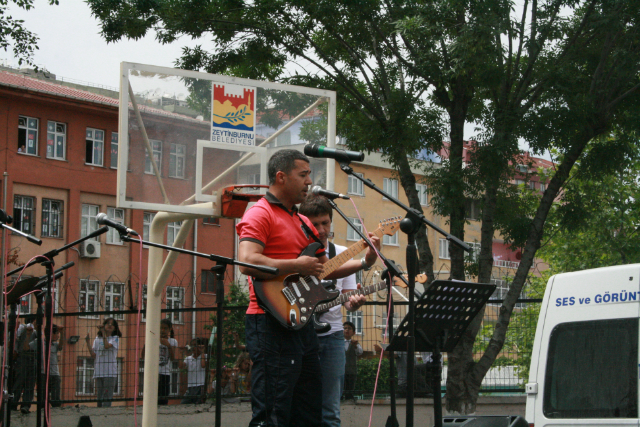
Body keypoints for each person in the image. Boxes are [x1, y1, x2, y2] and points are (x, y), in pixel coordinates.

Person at [236, 149, 379, 427]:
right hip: (269, 321)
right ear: (281, 176)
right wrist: (296, 265)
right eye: (303, 175)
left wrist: (365, 261)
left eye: (309, 175)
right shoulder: (259, 212)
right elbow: (247, 261)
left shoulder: (301, 221)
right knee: (273, 412)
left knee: (309, 410)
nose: (308, 181)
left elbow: (325, 268)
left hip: (301, 326)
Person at [299, 195, 376, 426]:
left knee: (331, 408)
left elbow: (348, 299)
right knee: (302, 404)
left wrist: (355, 302)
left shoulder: (342, 253)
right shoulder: (296, 252)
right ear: (303, 223)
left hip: (333, 335)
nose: (321, 229)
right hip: (301, 334)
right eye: (315, 223)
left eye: (326, 223)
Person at [86, 317, 121, 407]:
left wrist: (103, 333)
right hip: (99, 371)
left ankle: (106, 414)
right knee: (99, 397)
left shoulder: (115, 338)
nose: (109, 325)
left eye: (112, 324)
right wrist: (88, 342)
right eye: (107, 323)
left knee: (107, 396)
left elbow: (106, 346)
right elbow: (93, 355)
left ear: (115, 328)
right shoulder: (97, 339)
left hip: (109, 372)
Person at [142, 318, 178, 405]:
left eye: (165, 328)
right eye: (161, 328)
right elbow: (143, 356)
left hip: (165, 374)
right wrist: (148, 341)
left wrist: (168, 345)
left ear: (169, 329)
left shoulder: (172, 341)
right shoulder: (153, 339)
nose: (163, 330)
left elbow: (173, 358)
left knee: (163, 398)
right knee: (151, 397)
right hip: (152, 373)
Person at [31, 324, 64, 408]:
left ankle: (55, 412)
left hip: (54, 374)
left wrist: (62, 332)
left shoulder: (55, 345)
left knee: (56, 398)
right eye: (57, 334)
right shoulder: (40, 342)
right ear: (51, 334)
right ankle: (42, 412)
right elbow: (27, 347)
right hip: (43, 374)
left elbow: (61, 345)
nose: (58, 336)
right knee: (42, 398)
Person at [12, 316, 39, 414]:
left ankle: (25, 405)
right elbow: (19, 343)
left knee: (30, 383)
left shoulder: (36, 333)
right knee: (20, 381)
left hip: (32, 358)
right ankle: (13, 404)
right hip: (23, 358)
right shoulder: (22, 330)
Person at [180, 338, 208, 404]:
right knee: (183, 403)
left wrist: (202, 352)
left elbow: (203, 365)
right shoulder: (188, 358)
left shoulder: (204, 356)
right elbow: (181, 366)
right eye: (192, 345)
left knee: (199, 404)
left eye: (195, 345)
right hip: (190, 386)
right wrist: (181, 353)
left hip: (200, 385)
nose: (193, 347)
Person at [343, 321, 363, 400]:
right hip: (340, 370)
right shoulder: (338, 343)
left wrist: (355, 346)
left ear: (354, 332)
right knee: (340, 390)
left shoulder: (355, 343)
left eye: (349, 328)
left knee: (350, 391)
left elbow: (360, 352)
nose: (347, 330)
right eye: (345, 328)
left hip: (351, 370)